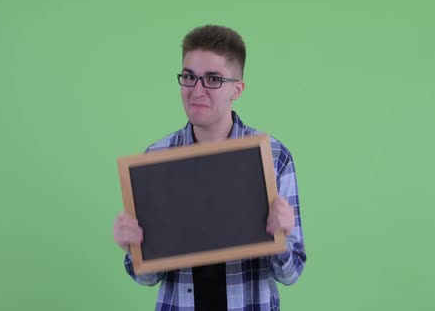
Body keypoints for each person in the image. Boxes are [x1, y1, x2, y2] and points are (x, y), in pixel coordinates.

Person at [113, 24, 306, 310]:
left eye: (213, 79)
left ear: (236, 89)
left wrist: (281, 238)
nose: (197, 90)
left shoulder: (273, 157)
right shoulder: (156, 159)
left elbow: (291, 274)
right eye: (189, 77)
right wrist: (135, 248)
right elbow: (146, 278)